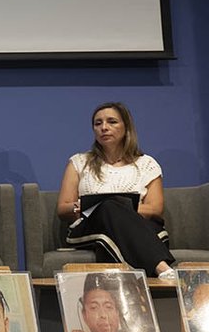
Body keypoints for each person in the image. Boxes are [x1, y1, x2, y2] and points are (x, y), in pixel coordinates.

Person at [57, 102, 176, 279]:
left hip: (142, 227)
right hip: (89, 227)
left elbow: (155, 209)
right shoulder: (79, 162)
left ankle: (124, 286)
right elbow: (62, 208)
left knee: (111, 206)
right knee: (108, 206)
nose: (104, 128)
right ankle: (162, 268)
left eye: (112, 122)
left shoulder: (147, 164)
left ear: (126, 127)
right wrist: (84, 207)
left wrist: (118, 209)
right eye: (98, 123)